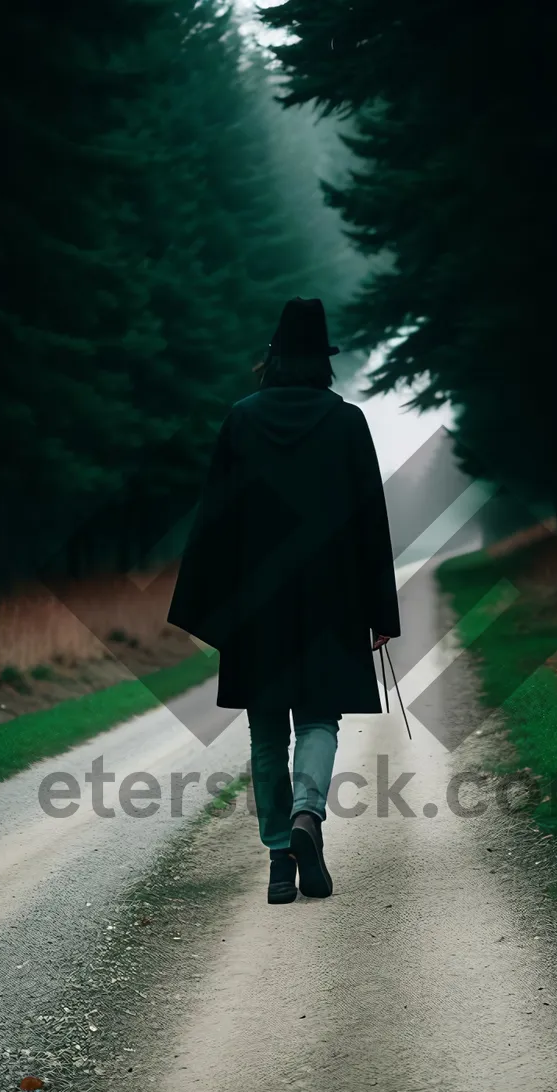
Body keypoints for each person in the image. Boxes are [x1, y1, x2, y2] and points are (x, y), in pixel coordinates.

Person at [167, 297, 401, 904]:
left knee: (266, 730)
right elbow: (371, 523)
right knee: (321, 715)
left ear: (272, 357)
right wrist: (381, 613)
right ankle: (306, 818)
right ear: (324, 361)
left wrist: (205, 606)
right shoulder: (348, 422)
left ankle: (278, 863)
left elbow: (214, 521)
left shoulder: (241, 420)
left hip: (256, 605)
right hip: (333, 601)